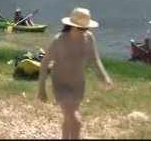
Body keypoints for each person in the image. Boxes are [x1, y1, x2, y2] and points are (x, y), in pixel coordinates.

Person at [37, 7, 113, 139]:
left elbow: (95, 59)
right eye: (81, 28)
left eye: (86, 28)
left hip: (78, 85)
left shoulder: (89, 38)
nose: (84, 31)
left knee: (69, 118)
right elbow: (45, 63)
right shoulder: (59, 39)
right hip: (60, 85)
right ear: (71, 25)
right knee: (76, 121)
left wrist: (105, 77)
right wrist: (41, 88)